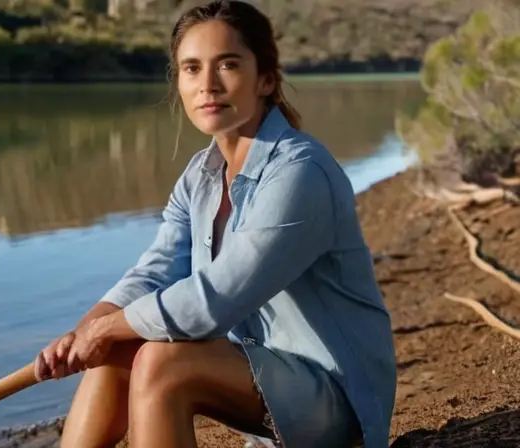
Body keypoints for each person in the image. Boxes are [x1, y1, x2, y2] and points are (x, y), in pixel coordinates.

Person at [33, 1, 397, 447]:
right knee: (119, 349)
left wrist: (106, 329)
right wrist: (86, 330)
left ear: (265, 79)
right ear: (178, 82)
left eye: (227, 65)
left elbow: (214, 300)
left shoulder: (301, 172)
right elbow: (157, 271)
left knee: (160, 361)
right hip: (263, 379)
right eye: (191, 68)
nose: (207, 85)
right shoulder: (199, 176)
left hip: (340, 401)